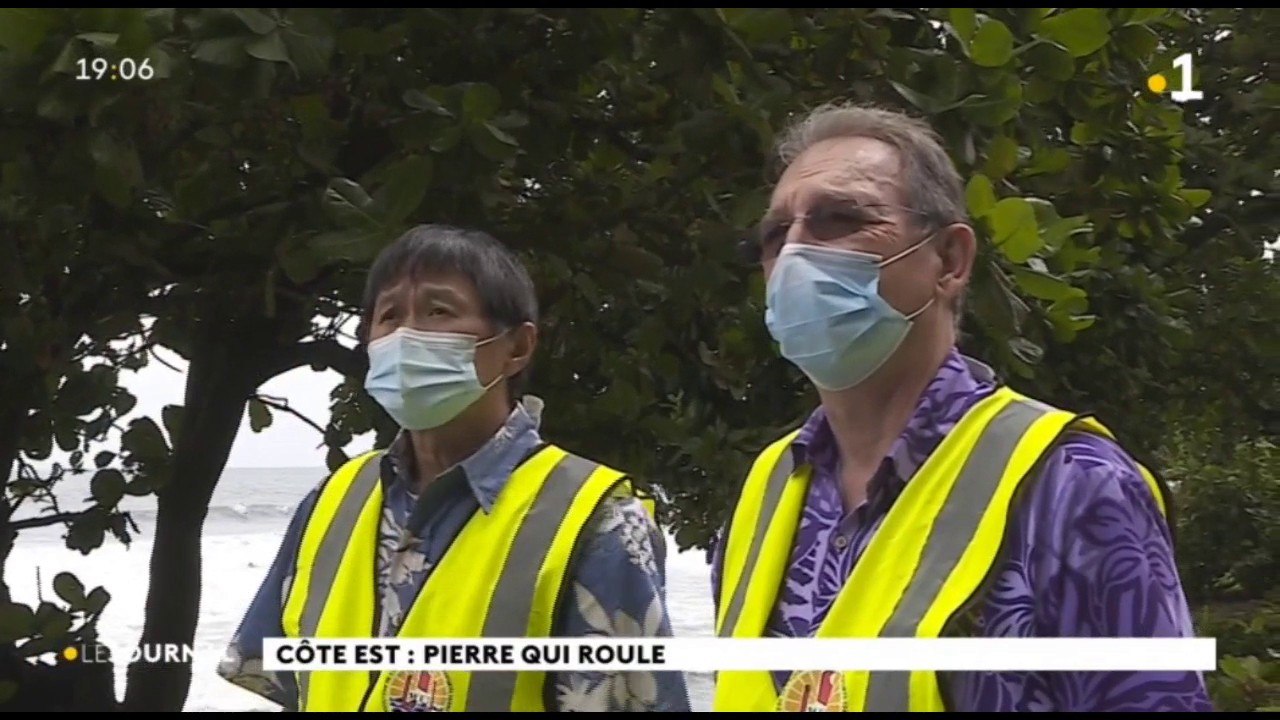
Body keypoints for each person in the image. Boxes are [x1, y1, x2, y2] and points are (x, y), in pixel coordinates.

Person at [710, 103, 1212, 712]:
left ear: (949, 261)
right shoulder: (764, 495)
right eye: (773, 235)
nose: (793, 256)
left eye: (841, 219)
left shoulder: (1071, 484)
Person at [219, 224, 690, 712]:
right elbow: (289, 684)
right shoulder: (331, 502)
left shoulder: (597, 521)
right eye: (389, 316)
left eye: (438, 311)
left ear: (517, 347)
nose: (405, 336)